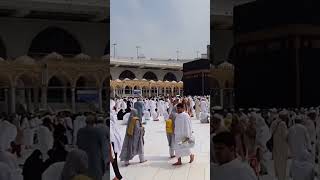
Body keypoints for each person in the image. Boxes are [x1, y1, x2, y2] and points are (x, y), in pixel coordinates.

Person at [77, 115, 108, 180]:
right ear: (94, 122)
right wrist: (105, 160)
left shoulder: (80, 131)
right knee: (96, 174)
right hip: (95, 157)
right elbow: (104, 146)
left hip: (83, 156)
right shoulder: (98, 131)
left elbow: (78, 144)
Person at [288, 116, 314, 180]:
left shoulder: (291, 128)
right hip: (302, 149)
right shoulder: (304, 128)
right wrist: (309, 148)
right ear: (300, 121)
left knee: (295, 163)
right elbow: (307, 139)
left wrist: (290, 148)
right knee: (303, 165)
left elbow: (288, 139)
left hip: (294, 149)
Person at [270, 110, 289, 180]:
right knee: (282, 163)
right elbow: (285, 136)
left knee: (277, 162)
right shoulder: (283, 123)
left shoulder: (274, 122)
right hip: (282, 147)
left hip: (276, 145)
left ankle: (278, 176)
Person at [110, 112, 123, 180]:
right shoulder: (113, 125)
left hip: (112, 145)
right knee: (113, 162)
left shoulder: (111, 125)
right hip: (113, 145)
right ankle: (117, 176)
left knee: (113, 162)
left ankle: (117, 176)